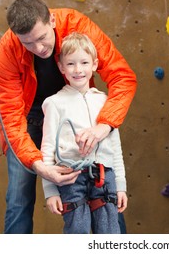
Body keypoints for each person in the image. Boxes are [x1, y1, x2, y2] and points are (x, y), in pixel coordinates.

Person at [0, 0, 136, 233]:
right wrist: (39, 166)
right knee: (18, 198)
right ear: (17, 37)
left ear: (53, 21)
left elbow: (122, 77)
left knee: (104, 190)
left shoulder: (78, 26)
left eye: (42, 38)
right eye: (28, 43)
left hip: (78, 115)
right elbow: (10, 117)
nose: (38, 49)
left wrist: (104, 125)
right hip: (29, 121)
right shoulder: (7, 50)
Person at [41, 32, 127, 234]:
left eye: (84, 62)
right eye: (70, 64)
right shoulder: (54, 103)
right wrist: (50, 190)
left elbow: (115, 147)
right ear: (61, 67)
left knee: (109, 231)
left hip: (105, 177)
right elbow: (47, 149)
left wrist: (121, 185)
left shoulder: (105, 102)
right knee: (77, 230)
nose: (78, 70)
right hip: (71, 176)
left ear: (95, 64)